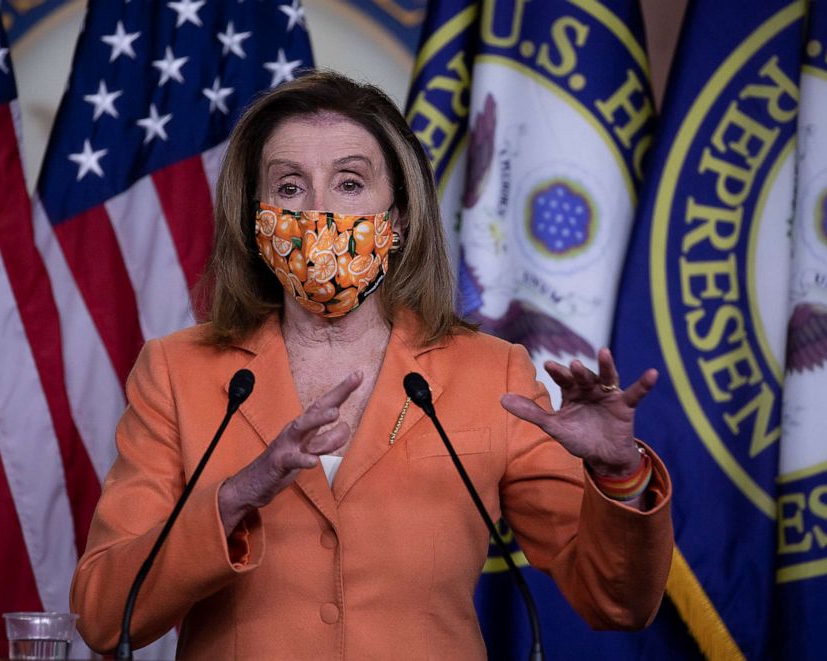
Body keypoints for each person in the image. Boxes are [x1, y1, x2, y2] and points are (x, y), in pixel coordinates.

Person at [70, 70, 673, 659]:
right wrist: (232, 499)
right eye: (288, 188)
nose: (319, 213)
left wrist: (618, 471)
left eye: (351, 184)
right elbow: (100, 614)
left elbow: (615, 602)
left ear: (401, 217)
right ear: (256, 222)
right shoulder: (177, 372)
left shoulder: (492, 375)